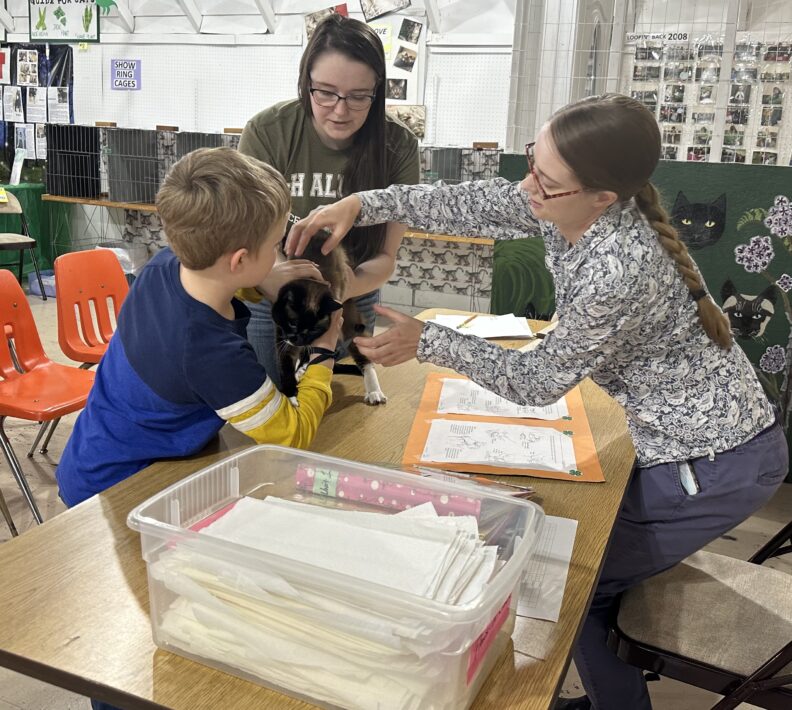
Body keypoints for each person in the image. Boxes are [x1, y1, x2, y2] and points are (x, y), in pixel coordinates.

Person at [287, 94, 789, 710]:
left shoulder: (618, 268)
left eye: (545, 181)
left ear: (601, 196)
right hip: (689, 444)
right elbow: (468, 201)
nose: (528, 186)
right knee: (572, 563)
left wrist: (430, 339)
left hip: (714, 463)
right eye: (532, 162)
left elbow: (538, 383)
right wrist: (363, 203)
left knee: (572, 583)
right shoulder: (561, 204)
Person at [56, 147, 342, 515]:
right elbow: (294, 433)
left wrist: (259, 281)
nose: (278, 257)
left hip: (90, 458)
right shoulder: (214, 354)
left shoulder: (163, 266)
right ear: (239, 260)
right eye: (274, 246)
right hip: (125, 489)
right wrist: (324, 351)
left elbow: (215, 282)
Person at [237, 14, 419, 386]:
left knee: (336, 405)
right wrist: (277, 282)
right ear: (306, 83)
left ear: (378, 90)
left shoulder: (397, 145)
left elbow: (385, 257)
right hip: (274, 298)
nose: (340, 110)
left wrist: (335, 295)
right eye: (325, 92)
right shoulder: (268, 132)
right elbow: (246, 238)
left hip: (351, 293)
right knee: (273, 397)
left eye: (358, 97)